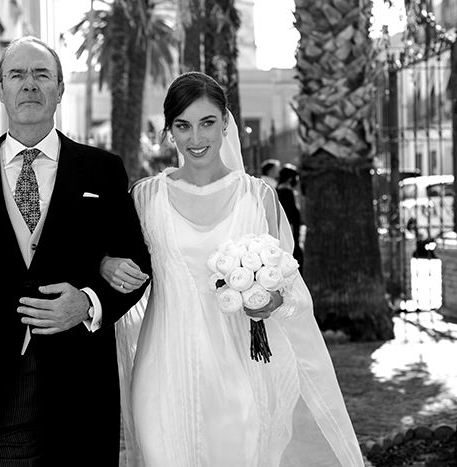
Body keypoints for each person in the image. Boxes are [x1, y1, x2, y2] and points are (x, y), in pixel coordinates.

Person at [101, 72, 364, 466]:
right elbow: (110, 259)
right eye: (183, 126)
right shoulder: (144, 197)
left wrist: (270, 299)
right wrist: (106, 264)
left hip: (239, 369)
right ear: (170, 131)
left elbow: (289, 288)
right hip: (162, 371)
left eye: (207, 123)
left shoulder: (258, 198)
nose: (196, 138)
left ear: (226, 122)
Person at [0, 36, 151, 466]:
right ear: (0, 89)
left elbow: (137, 264)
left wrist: (88, 304)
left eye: (41, 74)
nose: (29, 84)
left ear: (60, 89)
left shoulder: (102, 170)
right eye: (17, 74)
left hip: (80, 382)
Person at [277, 164, 304, 274]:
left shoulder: (276, 192)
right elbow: (292, 216)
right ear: (290, 179)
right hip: (290, 236)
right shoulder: (287, 193)